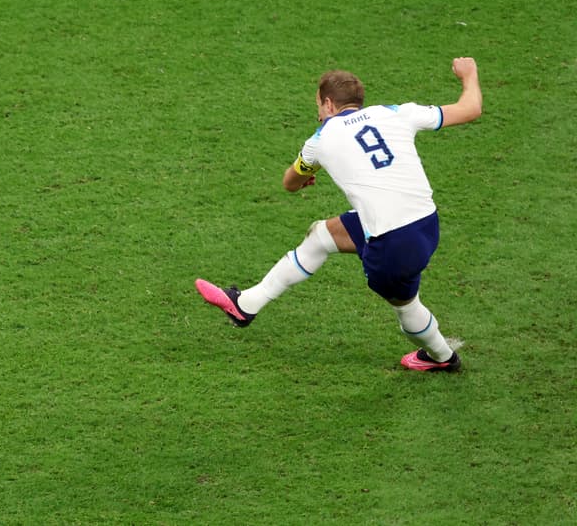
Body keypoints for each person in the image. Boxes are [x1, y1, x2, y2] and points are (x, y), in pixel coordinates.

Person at [195, 57, 483, 371]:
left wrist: (304, 176)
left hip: (392, 244)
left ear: (329, 104)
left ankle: (441, 357)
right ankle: (246, 304)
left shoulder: (321, 138)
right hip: (427, 224)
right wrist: (469, 75)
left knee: (406, 306)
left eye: (318, 106)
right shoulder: (395, 112)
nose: (318, 113)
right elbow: (470, 109)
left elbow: (289, 183)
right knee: (322, 235)